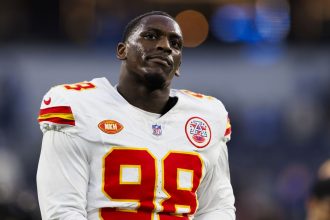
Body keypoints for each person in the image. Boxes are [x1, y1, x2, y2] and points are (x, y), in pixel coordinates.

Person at [36, 11, 236, 220]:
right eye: (150, 36)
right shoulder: (78, 107)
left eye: (175, 44)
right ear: (122, 50)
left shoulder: (207, 116)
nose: (165, 46)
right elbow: (63, 211)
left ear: (179, 66)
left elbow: (216, 208)